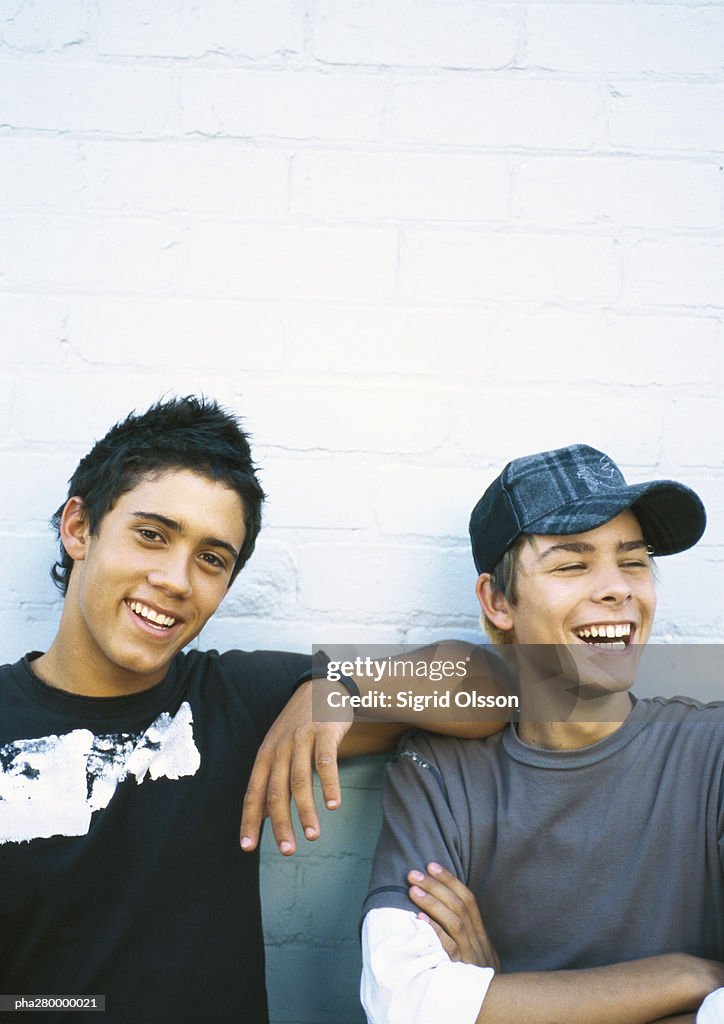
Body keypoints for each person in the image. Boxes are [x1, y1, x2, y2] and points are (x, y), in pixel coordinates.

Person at [0, 396, 502, 1024]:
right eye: (152, 535)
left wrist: (340, 688)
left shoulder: (238, 700)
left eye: (212, 559)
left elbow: (497, 686)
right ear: (80, 528)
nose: (177, 580)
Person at [361, 443, 724, 1024]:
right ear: (499, 601)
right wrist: (692, 977)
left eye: (633, 561)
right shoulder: (439, 774)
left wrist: (500, 1000)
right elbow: (406, 1004)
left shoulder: (713, 756)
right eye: (571, 564)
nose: (618, 589)